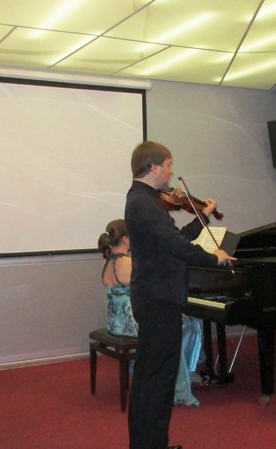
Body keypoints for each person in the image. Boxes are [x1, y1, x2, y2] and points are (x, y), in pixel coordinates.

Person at [124, 141, 236, 449]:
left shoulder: (145, 201)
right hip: (158, 298)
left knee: (154, 376)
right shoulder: (144, 203)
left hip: (156, 296)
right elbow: (178, 248)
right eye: (168, 165)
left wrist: (203, 217)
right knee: (156, 379)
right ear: (154, 167)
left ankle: (151, 443)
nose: (171, 172)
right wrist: (214, 258)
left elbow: (174, 239)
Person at [97, 219, 204, 407]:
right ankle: (180, 378)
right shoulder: (129, 263)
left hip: (115, 323)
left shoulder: (107, 263)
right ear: (125, 239)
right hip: (133, 322)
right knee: (189, 323)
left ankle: (177, 372)